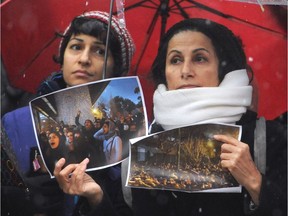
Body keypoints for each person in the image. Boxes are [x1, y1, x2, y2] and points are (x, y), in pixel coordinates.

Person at [130, 18, 287, 216]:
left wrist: (255, 182)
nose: (185, 71)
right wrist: (97, 201)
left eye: (200, 58)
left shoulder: (266, 139)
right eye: (175, 60)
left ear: (223, 69)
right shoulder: (145, 142)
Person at [2, 10, 135, 216]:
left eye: (100, 51)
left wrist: (97, 200)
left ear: (116, 68)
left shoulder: (132, 140)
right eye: (76, 47)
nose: (84, 59)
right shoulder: (16, 122)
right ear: (62, 58)